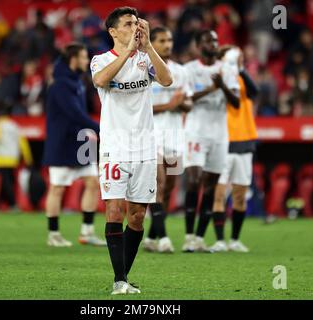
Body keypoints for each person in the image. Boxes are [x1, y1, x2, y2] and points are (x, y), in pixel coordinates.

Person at [91, 7, 172, 294]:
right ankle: (118, 280)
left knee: (137, 216)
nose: (134, 27)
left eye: (137, 23)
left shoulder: (145, 59)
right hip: (114, 147)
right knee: (114, 209)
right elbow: (101, 81)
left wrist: (147, 46)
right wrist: (127, 51)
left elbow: (166, 80)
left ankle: (124, 277)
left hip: (144, 148)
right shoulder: (101, 60)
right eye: (128, 24)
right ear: (113, 31)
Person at [42, 43, 105, 247]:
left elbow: (79, 116)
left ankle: (86, 232)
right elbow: (75, 114)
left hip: (79, 141)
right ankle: (53, 234)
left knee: (92, 182)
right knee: (58, 188)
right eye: (84, 57)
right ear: (73, 59)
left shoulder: (76, 81)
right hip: (61, 142)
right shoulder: (60, 84)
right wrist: (100, 128)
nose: (87, 61)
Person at [182, 30, 239, 253]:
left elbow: (236, 104)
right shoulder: (189, 70)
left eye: (215, 40)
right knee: (195, 181)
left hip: (220, 134)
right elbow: (186, 100)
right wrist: (211, 89)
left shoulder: (228, 70)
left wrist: (223, 86)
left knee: (211, 187)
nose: (214, 44)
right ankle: (188, 236)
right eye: (208, 40)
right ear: (198, 45)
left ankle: (199, 237)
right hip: (195, 132)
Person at [142, 26, 192, 254]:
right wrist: (170, 105)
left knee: (170, 186)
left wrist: (182, 103)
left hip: (175, 135)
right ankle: (163, 238)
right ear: (153, 42)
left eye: (170, 40)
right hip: (152, 134)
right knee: (158, 184)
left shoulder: (181, 71)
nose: (167, 44)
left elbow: (189, 102)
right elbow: (142, 107)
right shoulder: (143, 67)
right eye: (161, 40)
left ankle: (151, 236)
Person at [214, 45, 259, 252]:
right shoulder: (215, 78)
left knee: (240, 194)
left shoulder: (242, 80)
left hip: (244, 142)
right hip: (223, 142)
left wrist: (240, 69)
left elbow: (255, 92)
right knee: (220, 194)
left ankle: (235, 239)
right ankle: (220, 240)